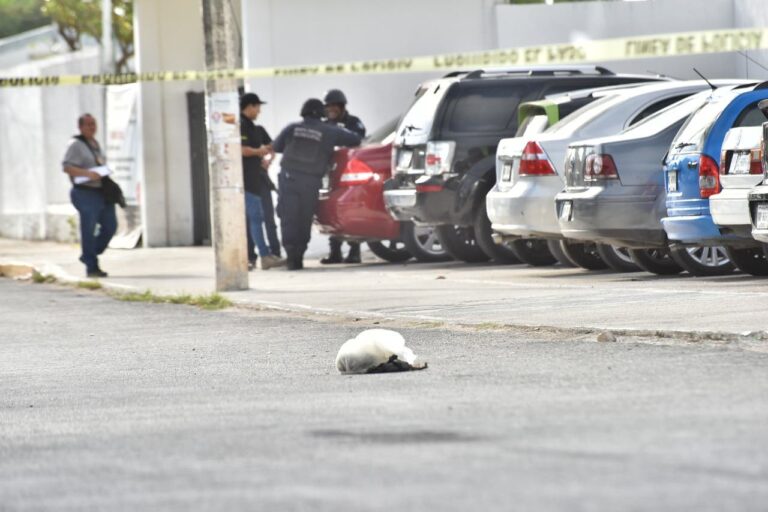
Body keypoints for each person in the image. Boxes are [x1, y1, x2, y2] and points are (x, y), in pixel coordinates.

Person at [273, 98, 362, 270]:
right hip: (311, 182)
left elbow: (277, 146)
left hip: (289, 179)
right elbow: (355, 139)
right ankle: (299, 255)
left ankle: (292, 258)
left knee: (289, 217)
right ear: (321, 113)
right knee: (304, 218)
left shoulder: (292, 128)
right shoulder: (329, 131)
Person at [62, 114, 117, 278]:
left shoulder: (94, 143)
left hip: (101, 191)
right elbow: (67, 167)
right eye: (88, 124)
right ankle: (92, 266)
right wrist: (88, 174)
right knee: (88, 229)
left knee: (110, 226)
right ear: (80, 127)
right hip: (85, 192)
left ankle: (88, 254)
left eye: (94, 124)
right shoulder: (76, 144)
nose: (92, 127)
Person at [321, 89, 367, 264]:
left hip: (349, 173)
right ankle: (335, 252)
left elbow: (358, 139)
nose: (331, 109)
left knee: (350, 211)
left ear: (341, 106)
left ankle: (354, 251)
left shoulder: (353, 122)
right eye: (328, 106)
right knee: (331, 211)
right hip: (330, 174)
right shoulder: (325, 124)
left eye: (334, 106)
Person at [240, 93, 284, 270]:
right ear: (250, 106)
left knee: (261, 218)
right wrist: (260, 151)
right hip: (247, 180)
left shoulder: (254, 127)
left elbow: (271, 147)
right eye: (257, 107)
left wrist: (267, 159)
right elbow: (242, 150)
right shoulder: (241, 125)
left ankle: (269, 254)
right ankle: (262, 256)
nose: (259, 111)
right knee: (255, 219)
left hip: (257, 179)